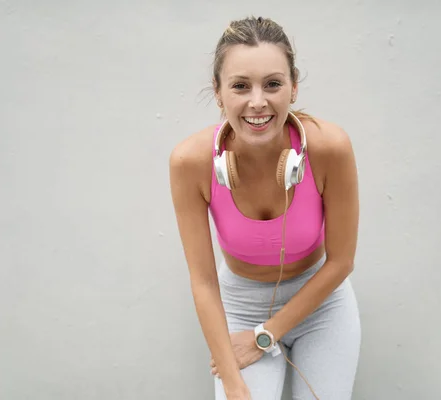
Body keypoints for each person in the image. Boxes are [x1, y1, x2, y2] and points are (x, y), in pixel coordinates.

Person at [169, 16, 361, 400]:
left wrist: (265, 335)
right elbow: (204, 282)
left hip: (322, 302)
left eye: (272, 84)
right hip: (240, 305)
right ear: (219, 93)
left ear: (293, 87)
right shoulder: (190, 162)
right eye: (240, 86)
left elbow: (341, 262)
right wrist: (234, 383)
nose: (258, 101)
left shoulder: (330, 148)